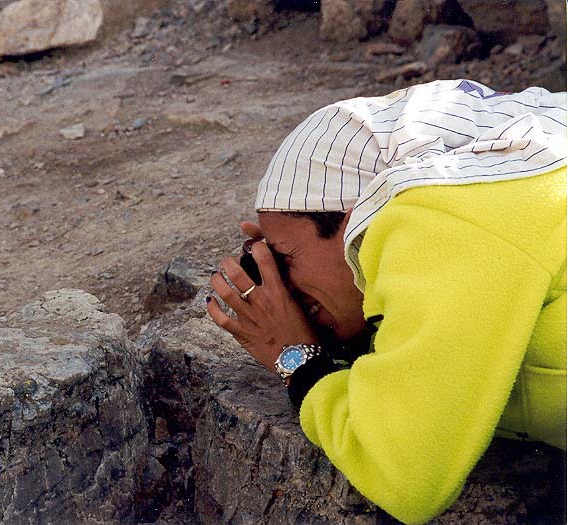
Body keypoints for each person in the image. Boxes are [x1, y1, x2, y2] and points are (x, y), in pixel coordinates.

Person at [206, 79, 566, 524]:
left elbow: (403, 473)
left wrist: (297, 359)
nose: (280, 285)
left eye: (284, 257)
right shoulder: (508, 191)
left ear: (357, 217)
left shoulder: (439, 216)